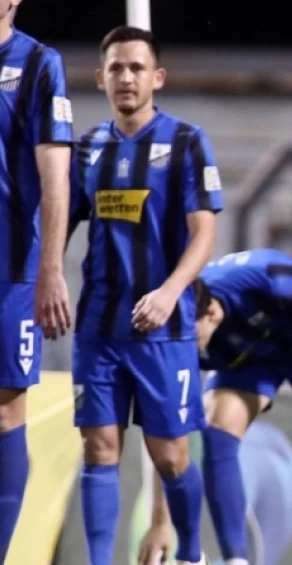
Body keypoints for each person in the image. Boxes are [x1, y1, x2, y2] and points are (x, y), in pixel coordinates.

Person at [68, 27, 222, 565]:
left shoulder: (186, 142)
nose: (126, 77)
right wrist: (47, 279)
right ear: (101, 78)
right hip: (98, 328)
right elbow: (59, 222)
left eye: (137, 67)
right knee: (99, 448)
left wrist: (170, 292)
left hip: (165, 330)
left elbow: (204, 232)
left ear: (157, 77)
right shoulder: (87, 147)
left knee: (171, 456)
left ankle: (191, 556)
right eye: (116, 68)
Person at [138, 249, 292, 565]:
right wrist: (159, 523)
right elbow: (166, 435)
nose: (181, 348)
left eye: (187, 337)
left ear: (211, 314)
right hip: (250, 359)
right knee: (217, 427)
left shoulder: (266, 279)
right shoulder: (174, 340)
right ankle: (237, 558)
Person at [0, 1, 74, 559]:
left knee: (6, 409)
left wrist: (51, 269)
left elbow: (56, 177)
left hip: (12, 272)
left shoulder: (38, 64)